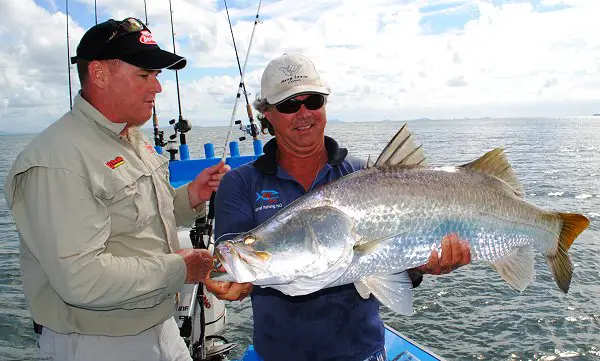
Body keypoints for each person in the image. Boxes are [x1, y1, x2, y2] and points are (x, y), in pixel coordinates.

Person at [205, 53, 472, 361]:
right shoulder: (240, 183)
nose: (304, 113)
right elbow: (231, 259)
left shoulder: (362, 174)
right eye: (289, 105)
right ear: (266, 114)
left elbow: (397, 265)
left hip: (364, 352)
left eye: (313, 101)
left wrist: (423, 265)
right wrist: (232, 281)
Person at [3, 18, 229, 361]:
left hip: (161, 328)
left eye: (157, 76)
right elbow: (82, 279)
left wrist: (192, 197)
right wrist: (181, 268)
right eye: (144, 76)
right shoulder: (58, 159)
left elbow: (143, 215)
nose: (157, 88)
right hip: (98, 343)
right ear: (99, 74)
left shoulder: (129, 138)